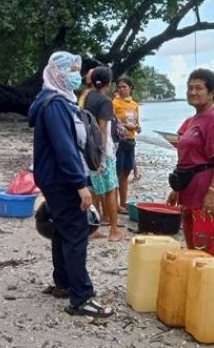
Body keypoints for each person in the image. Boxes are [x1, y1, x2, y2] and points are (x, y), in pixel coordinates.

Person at [28, 51, 113, 318]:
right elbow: (65, 148)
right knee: (76, 233)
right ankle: (81, 297)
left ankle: (63, 283)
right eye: (73, 69)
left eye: (78, 69)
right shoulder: (54, 104)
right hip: (62, 179)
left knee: (63, 230)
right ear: (59, 72)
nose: (77, 74)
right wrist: (80, 184)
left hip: (55, 177)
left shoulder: (55, 100)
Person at [167, 68, 214, 257]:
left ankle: (212, 283)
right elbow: (187, 158)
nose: (193, 92)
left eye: (199, 88)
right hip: (190, 189)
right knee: (193, 243)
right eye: (190, 88)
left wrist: (212, 193)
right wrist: (177, 189)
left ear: (211, 93)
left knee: (208, 246)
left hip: (206, 190)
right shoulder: (194, 119)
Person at [84, 67, 122, 242]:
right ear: (109, 82)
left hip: (87, 148)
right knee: (110, 190)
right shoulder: (106, 101)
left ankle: (94, 228)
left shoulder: (88, 96)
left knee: (93, 190)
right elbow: (102, 129)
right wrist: (102, 156)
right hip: (102, 151)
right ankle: (113, 230)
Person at [112, 77, 140, 214]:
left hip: (130, 141)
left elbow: (136, 122)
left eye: (124, 87)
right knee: (117, 173)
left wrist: (137, 127)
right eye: (119, 87)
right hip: (119, 142)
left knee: (126, 173)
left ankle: (123, 204)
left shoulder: (134, 105)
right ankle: (115, 204)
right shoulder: (114, 103)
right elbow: (111, 123)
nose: (122, 89)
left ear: (131, 88)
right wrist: (124, 126)